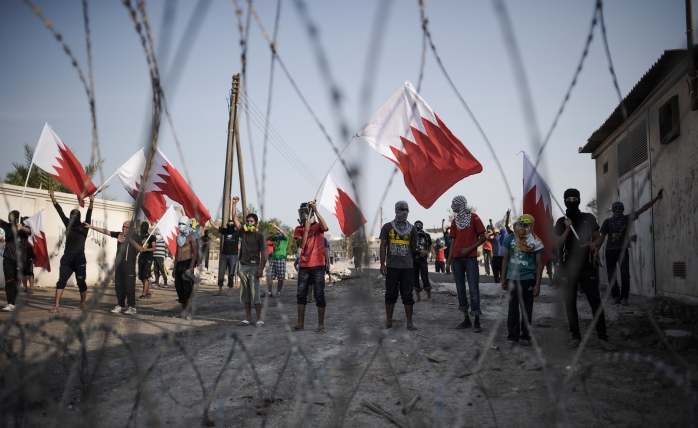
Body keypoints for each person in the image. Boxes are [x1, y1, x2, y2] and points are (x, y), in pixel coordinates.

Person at [555, 188, 613, 350]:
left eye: (575, 198)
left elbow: (599, 236)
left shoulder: (588, 218)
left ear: (579, 200)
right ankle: (576, 336)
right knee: (570, 304)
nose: (572, 201)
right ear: (564, 200)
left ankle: (603, 338)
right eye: (569, 199)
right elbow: (557, 244)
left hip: (587, 268)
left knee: (595, 301)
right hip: (567, 270)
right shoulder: (561, 221)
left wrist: (595, 244)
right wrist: (567, 228)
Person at [593, 189, 664, 306]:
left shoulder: (627, 218)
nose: (619, 211)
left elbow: (644, 208)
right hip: (610, 251)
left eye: (620, 209)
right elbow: (602, 238)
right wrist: (596, 251)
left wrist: (656, 198)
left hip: (622, 250)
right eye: (617, 208)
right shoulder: (608, 222)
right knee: (612, 276)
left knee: (625, 275)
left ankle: (624, 297)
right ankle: (617, 297)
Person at [501, 214, 545, 346]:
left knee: (527, 309)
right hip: (511, 279)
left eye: (526, 224)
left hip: (528, 280)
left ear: (531, 226)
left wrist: (538, 284)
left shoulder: (536, 242)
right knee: (512, 308)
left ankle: (525, 336)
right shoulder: (510, 238)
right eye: (520, 223)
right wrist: (503, 278)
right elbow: (505, 259)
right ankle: (513, 336)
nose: (522, 227)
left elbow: (539, 265)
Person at [86, 221, 147, 314]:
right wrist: (91, 227)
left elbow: (141, 249)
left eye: (126, 227)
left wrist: (130, 240)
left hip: (129, 265)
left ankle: (132, 307)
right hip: (119, 264)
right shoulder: (120, 235)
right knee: (119, 286)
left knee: (129, 286)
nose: (124, 228)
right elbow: (106, 231)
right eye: (123, 226)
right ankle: (120, 305)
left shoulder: (135, 236)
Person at [49, 187, 94, 313]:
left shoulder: (84, 226)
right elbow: (59, 211)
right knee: (61, 281)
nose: (73, 218)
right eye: (71, 216)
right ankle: (56, 305)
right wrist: (52, 196)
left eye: (75, 216)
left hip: (79, 258)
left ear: (78, 217)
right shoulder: (67, 223)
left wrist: (91, 202)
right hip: (67, 258)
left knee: (81, 282)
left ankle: (82, 303)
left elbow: (89, 214)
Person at [447, 196, 486, 332]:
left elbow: (483, 238)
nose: (453, 207)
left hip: (470, 258)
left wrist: (469, 249)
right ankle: (466, 319)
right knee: (460, 289)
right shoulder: (454, 222)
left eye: (456, 204)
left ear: (462, 204)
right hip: (457, 259)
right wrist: (448, 261)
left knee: (474, 289)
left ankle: (476, 320)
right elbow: (452, 242)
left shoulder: (474, 218)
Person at [379, 201, 418, 330]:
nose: (405, 212)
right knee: (390, 294)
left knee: (408, 295)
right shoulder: (387, 227)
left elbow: (413, 247)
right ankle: (389, 321)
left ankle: (409, 322)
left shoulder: (412, 229)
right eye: (402, 209)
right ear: (396, 210)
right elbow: (383, 245)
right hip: (392, 266)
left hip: (407, 267)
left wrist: (409, 259)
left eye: (407, 209)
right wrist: (382, 264)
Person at [292, 200, 329, 333]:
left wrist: (316, 210)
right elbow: (301, 245)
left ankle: (321, 324)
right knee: (301, 294)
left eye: (306, 212)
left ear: (311, 213)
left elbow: (325, 227)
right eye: (301, 213)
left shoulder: (318, 226)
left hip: (318, 265)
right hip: (304, 266)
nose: (303, 215)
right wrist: (306, 229)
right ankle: (300, 323)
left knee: (319, 294)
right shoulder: (298, 229)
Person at [234, 207, 266, 326]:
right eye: (247, 221)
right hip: (244, 267)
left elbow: (263, 254)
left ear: (256, 223)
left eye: (251, 221)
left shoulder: (259, 236)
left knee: (255, 294)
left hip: (254, 267)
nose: (249, 223)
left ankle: (259, 319)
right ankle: (248, 318)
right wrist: (234, 205)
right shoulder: (243, 233)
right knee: (245, 295)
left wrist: (261, 268)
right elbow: (234, 219)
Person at [0, 210, 31, 311]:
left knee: (15, 282)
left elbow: (29, 231)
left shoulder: (24, 228)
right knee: (9, 281)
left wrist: (21, 227)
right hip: (8, 257)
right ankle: (11, 303)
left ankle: (13, 301)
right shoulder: (8, 226)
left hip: (20, 260)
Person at [210, 196, 241, 296]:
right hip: (224, 255)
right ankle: (219, 289)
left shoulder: (237, 232)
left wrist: (234, 204)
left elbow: (234, 216)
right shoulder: (225, 230)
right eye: (229, 221)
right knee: (221, 272)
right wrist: (209, 218)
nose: (230, 222)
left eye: (231, 222)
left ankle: (229, 290)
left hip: (233, 255)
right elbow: (215, 226)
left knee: (231, 273)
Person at [174, 216, 198, 320]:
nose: (181, 226)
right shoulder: (178, 237)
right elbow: (176, 253)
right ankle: (183, 312)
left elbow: (195, 252)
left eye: (183, 224)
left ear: (187, 224)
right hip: (179, 264)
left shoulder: (191, 237)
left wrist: (192, 266)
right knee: (180, 289)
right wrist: (174, 268)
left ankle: (188, 312)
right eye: (179, 223)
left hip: (187, 264)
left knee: (188, 289)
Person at [265, 223, 288, 297]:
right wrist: (275, 233)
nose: (279, 232)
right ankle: (269, 292)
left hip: (281, 258)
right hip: (273, 258)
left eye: (280, 230)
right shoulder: (275, 238)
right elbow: (265, 238)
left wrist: (276, 227)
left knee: (280, 277)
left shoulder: (285, 239)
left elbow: (284, 234)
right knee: (270, 276)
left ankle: (278, 292)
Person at [412, 220, 432, 302]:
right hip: (413, 259)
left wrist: (426, 251)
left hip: (423, 259)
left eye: (419, 224)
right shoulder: (411, 235)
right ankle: (418, 297)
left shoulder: (426, 235)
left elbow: (429, 247)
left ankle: (429, 296)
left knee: (425, 277)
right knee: (415, 278)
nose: (418, 226)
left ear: (422, 226)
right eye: (416, 225)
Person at [137, 221, 156, 300]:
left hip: (148, 258)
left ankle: (143, 294)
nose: (142, 229)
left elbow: (154, 248)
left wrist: (145, 249)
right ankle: (148, 292)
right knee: (141, 276)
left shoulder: (151, 237)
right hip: (141, 258)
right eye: (142, 227)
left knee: (145, 275)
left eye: (144, 227)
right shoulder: (139, 237)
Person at [20, 216, 35, 294]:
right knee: (23, 271)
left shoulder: (30, 230)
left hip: (30, 251)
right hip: (22, 252)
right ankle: (25, 287)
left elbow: (28, 231)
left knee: (29, 270)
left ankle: (31, 287)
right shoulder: (20, 231)